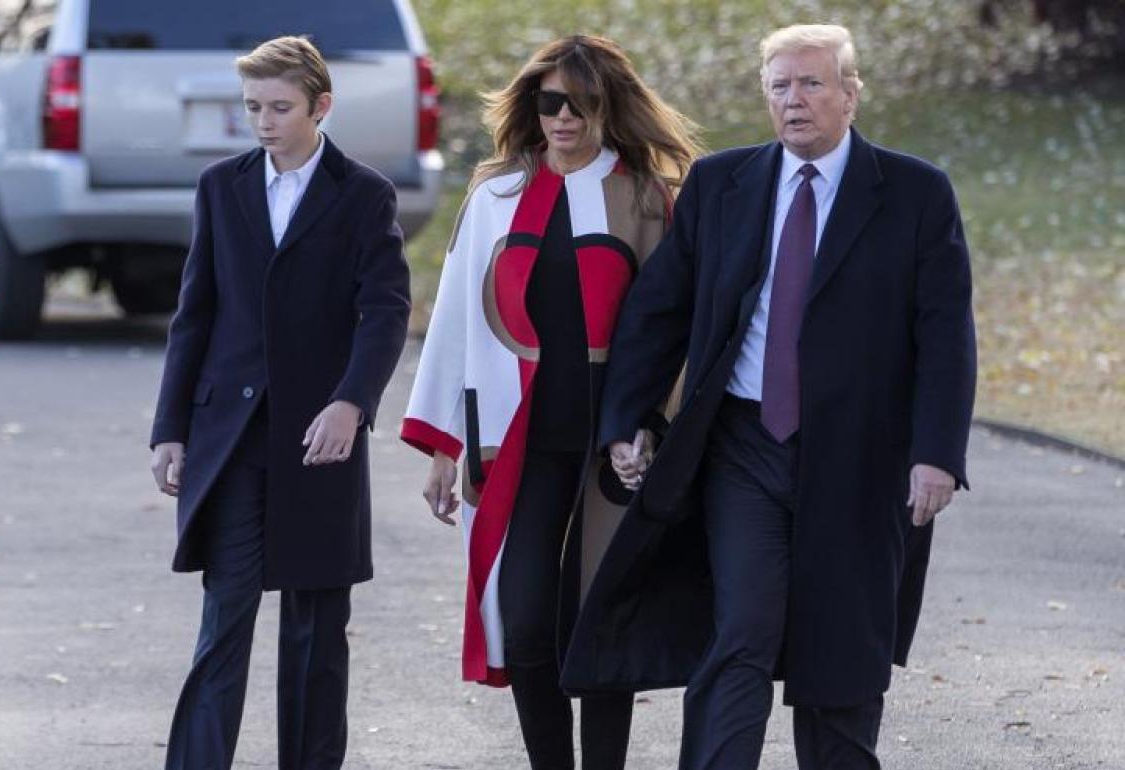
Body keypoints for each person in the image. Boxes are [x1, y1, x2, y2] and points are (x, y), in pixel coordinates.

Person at [562, 23, 977, 770]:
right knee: (740, 633)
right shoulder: (721, 185)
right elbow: (660, 310)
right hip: (744, 447)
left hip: (861, 456)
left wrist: (937, 454)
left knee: (841, 646)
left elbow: (945, 333)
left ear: (851, 94)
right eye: (780, 86)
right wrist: (627, 420)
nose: (795, 100)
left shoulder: (915, 194)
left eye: (813, 83)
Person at [401, 34, 698, 770]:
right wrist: (442, 446)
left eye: (581, 103)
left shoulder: (645, 198)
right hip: (518, 444)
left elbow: (674, 328)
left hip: (612, 446)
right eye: (550, 101)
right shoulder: (496, 195)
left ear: (608, 106)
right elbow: (456, 321)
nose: (563, 117)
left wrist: (650, 426)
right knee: (526, 620)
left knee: (600, 622)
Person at [147, 35, 410, 770]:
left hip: (320, 438)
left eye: (280, 107)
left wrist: (352, 402)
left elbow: (385, 310)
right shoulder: (220, 186)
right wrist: (170, 428)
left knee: (316, 631)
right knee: (224, 621)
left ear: (321, 106)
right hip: (230, 440)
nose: (263, 122)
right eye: (253, 107)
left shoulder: (363, 194)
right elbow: (194, 314)